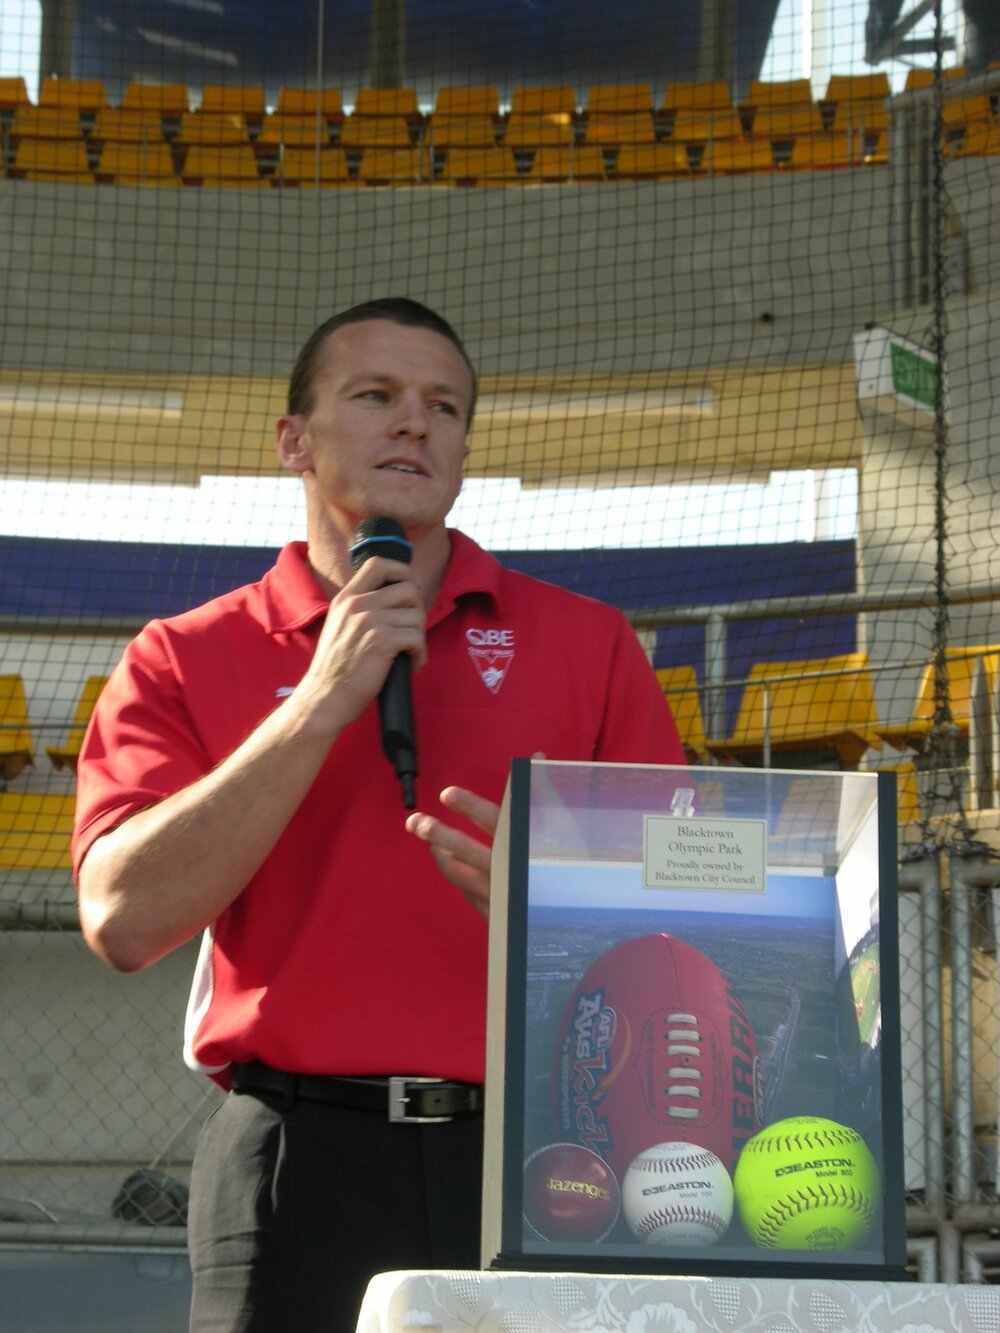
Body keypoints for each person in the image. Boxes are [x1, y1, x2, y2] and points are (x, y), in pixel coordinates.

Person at [73, 298, 685, 1331]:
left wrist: (562, 912)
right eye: (376, 395)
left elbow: (689, 921)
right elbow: (123, 919)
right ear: (292, 441)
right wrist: (320, 701)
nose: (415, 423)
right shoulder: (180, 654)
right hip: (295, 1160)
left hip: (554, 1150)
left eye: (444, 406)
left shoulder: (593, 646)